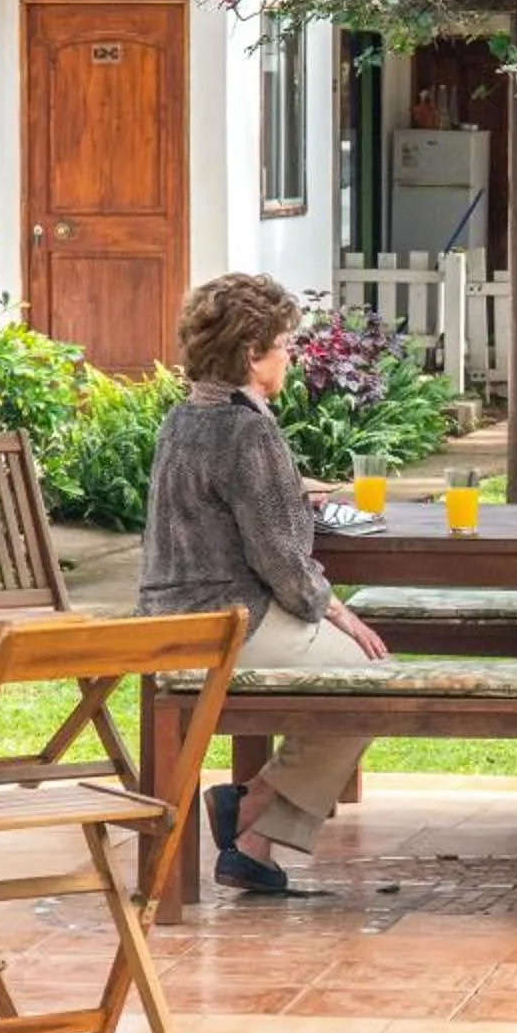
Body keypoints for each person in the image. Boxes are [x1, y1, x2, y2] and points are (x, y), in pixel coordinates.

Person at [137, 272, 390, 895]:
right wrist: (337, 611)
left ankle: (252, 850)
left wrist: (291, 493)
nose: (290, 357)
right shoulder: (250, 430)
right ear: (252, 353)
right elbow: (282, 559)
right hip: (229, 625)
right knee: (374, 680)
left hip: (167, 620)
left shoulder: (183, 418)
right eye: (284, 345)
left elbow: (220, 505)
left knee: (356, 672)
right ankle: (251, 805)